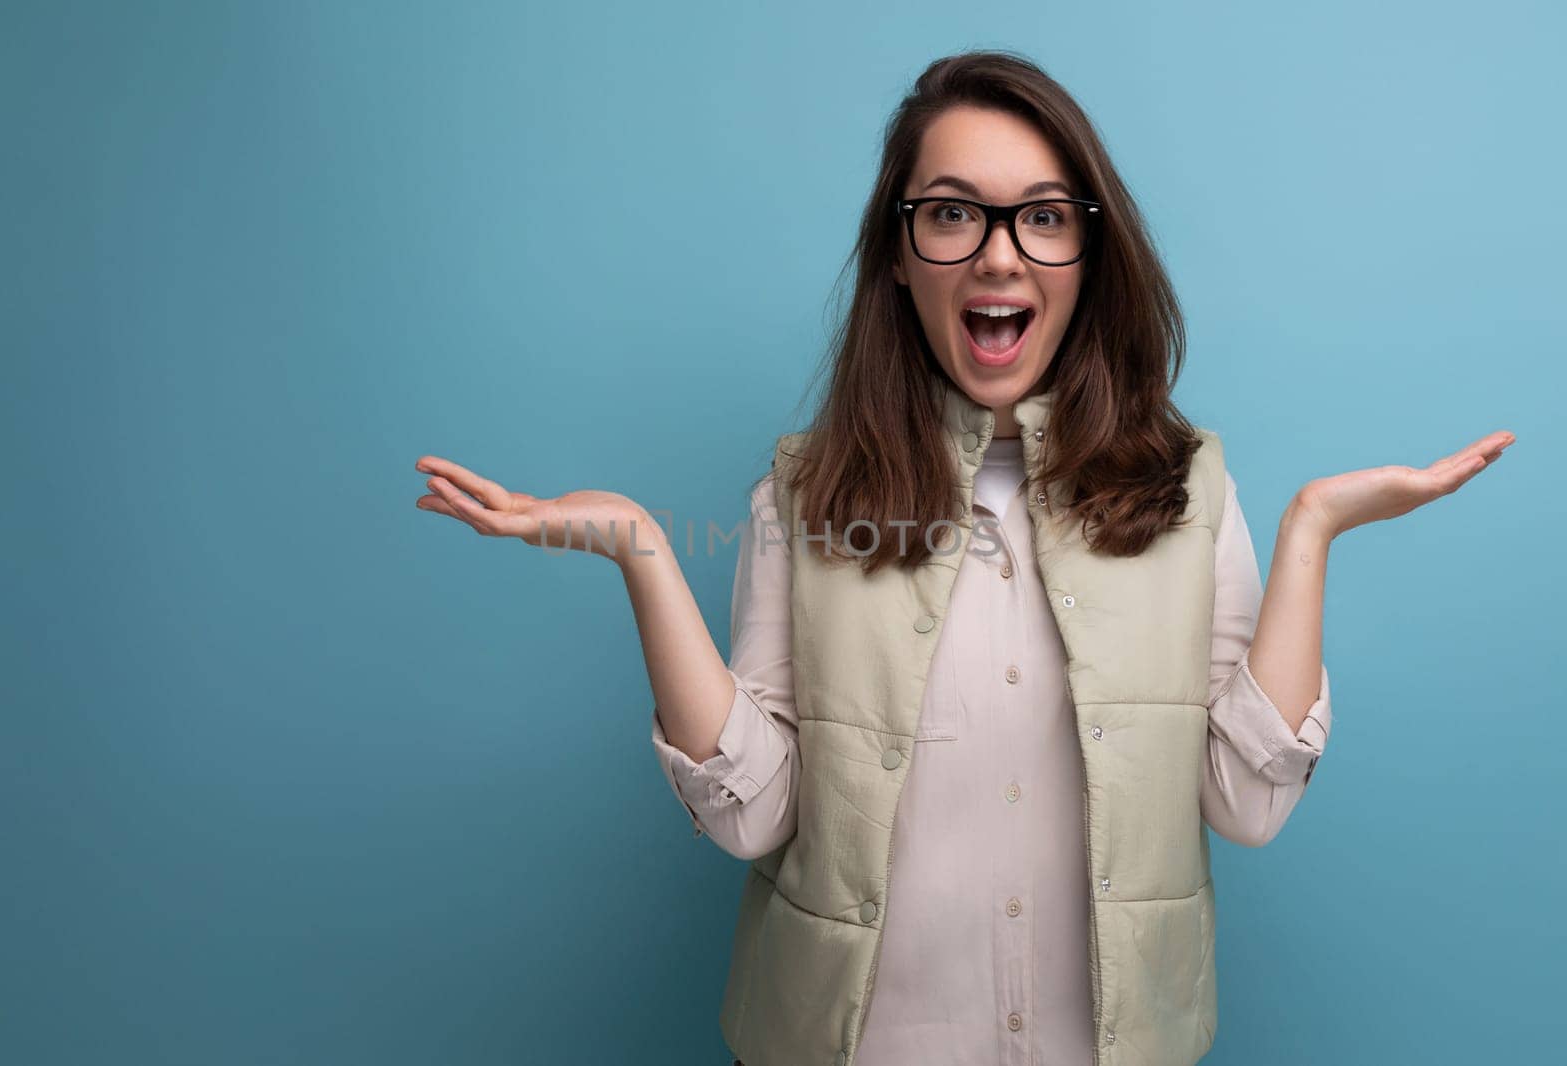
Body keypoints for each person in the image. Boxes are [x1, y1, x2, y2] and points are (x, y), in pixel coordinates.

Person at [412, 49, 1514, 1066]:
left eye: (1040, 216)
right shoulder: (802, 497)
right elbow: (753, 814)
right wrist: (643, 552)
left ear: (1088, 252)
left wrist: (1309, 530)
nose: (997, 252)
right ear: (898, 255)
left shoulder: (1185, 489)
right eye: (950, 214)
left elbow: (1246, 803)